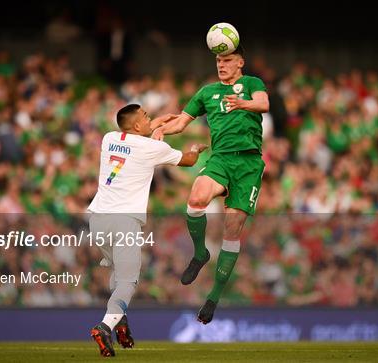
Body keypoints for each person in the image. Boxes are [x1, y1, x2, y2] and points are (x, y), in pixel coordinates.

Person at [152, 46, 270, 324]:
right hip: (220, 159)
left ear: (240, 62)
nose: (222, 64)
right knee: (196, 198)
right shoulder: (207, 92)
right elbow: (180, 122)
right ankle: (200, 252)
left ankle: (213, 297)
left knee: (232, 229)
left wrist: (243, 103)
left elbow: (263, 104)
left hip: (249, 164)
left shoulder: (252, 84)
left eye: (227, 60)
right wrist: (158, 130)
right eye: (218, 60)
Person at [87, 104, 207, 357]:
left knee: (116, 271)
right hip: (125, 221)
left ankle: (118, 319)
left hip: (97, 218)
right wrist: (195, 149)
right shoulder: (154, 148)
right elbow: (188, 160)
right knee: (128, 281)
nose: (149, 117)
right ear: (137, 126)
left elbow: (135, 134)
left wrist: (155, 125)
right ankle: (104, 326)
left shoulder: (109, 138)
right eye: (145, 116)